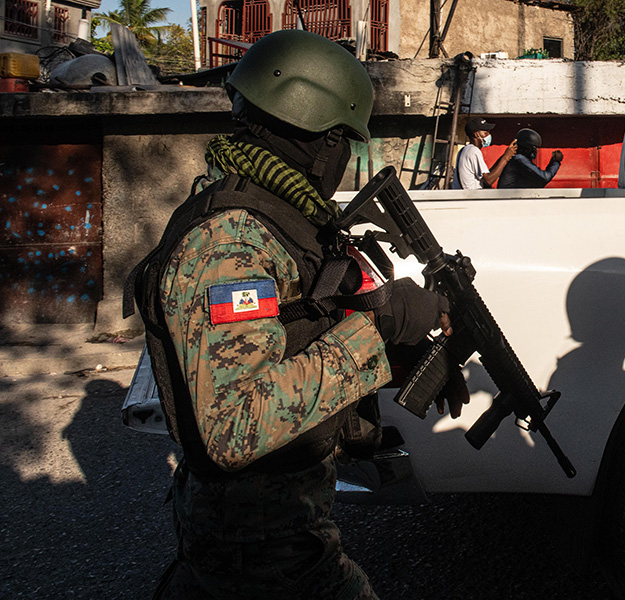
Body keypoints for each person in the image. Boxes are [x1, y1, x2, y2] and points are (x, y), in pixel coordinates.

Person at [130, 30, 466, 599]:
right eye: (346, 145)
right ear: (325, 142)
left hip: (270, 532)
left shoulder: (281, 223)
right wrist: (377, 328)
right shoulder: (228, 244)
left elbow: (294, 334)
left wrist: (398, 356)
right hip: (259, 549)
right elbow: (234, 424)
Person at [452, 115, 517, 189]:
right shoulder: (474, 151)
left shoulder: (464, 150)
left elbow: (486, 175)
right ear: (476, 135)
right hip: (471, 198)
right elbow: (489, 180)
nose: (489, 135)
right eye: (486, 133)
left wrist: (505, 155)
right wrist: (505, 157)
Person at [497, 128, 563, 188]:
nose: (537, 150)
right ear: (529, 148)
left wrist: (552, 162)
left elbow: (539, 182)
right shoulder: (519, 159)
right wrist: (556, 162)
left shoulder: (517, 160)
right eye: (536, 148)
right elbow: (544, 177)